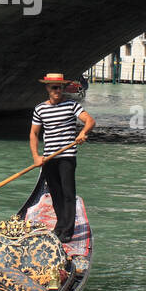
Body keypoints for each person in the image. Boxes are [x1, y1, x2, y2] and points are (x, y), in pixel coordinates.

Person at [19, 73, 95, 243]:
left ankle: (67, 231)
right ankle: (60, 227)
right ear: (47, 88)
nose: (57, 90)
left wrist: (82, 133)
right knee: (56, 194)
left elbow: (90, 121)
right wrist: (36, 156)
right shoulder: (40, 109)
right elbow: (34, 133)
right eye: (54, 87)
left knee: (68, 193)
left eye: (60, 87)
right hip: (49, 158)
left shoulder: (71, 105)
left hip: (67, 156)